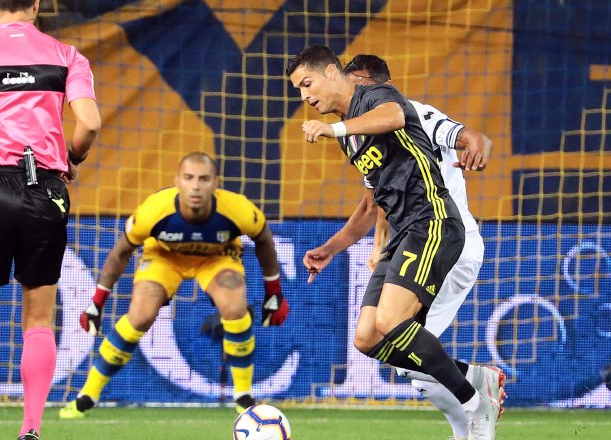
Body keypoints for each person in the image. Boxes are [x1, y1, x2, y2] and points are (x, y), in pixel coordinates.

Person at [286, 45, 499, 439]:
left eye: (307, 84)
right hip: (402, 235)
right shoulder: (350, 135)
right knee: (367, 338)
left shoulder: (375, 97)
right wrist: (332, 249)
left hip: (432, 221)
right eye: (298, 89)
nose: (304, 97)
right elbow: (372, 202)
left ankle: (474, 406)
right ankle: (471, 379)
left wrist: (334, 128)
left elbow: (398, 114)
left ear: (335, 73)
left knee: (392, 322)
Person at [0, 0, 101, 439]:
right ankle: (30, 431)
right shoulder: (67, 56)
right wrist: (72, 158)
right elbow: (89, 122)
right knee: (39, 320)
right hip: (46, 190)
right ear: (37, 4)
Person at [59, 151, 289, 419]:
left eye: (204, 179)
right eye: (189, 178)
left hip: (216, 257)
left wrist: (274, 293)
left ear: (216, 183)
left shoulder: (237, 209)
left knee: (235, 306)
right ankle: (87, 395)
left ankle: (243, 395)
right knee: (140, 315)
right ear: (177, 181)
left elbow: (263, 238)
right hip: (164, 257)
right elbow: (121, 252)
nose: (196, 186)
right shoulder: (154, 210)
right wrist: (97, 302)